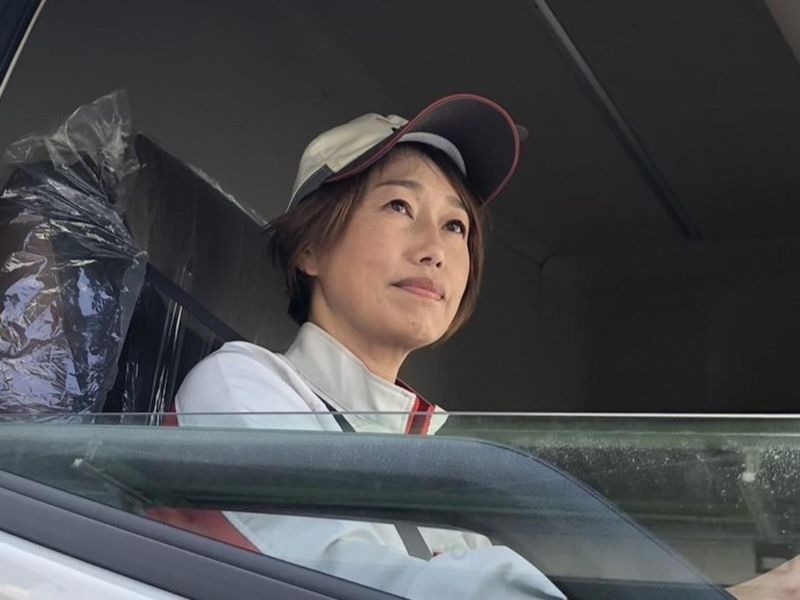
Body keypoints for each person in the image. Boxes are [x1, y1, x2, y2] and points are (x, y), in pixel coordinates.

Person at [174, 94, 799, 599]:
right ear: (309, 247)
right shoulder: (242, 383)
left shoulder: (435, 461)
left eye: (456, 225)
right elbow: (344, 579)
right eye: (399, 205)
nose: (435, 248)